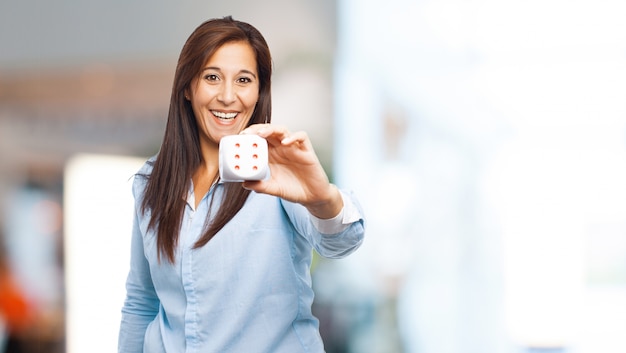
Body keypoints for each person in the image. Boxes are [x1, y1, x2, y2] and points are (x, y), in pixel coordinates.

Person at [118, 16, 365, 353]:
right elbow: (142, 301)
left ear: (259, 90)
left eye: (244, 80)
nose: (228, 96)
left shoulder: (279, 168)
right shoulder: (152, 181)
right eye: (212, 77)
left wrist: (321, 196)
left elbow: (343, 241)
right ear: (188, 88)